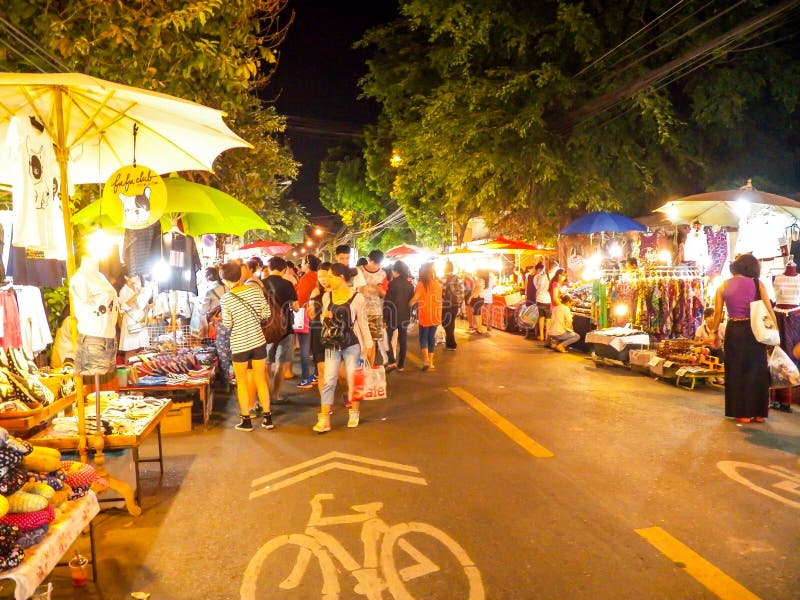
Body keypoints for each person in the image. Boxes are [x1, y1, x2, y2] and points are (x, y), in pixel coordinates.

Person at [711, 253, 776, 424]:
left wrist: (714, 333)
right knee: (757, 370)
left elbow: (717, 313)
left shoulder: (723, 285)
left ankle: (743, 413)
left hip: (734, 330)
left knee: (737, 370)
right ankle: (759, 413)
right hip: (756, 331)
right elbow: (769, 310)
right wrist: (775, 333)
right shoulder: (757, 284)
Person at [315, 263, 373, 432]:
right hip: (332, 343)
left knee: (352, 379)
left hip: (351, 344)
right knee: (329, 380)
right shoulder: (327, 297)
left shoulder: (357, 297)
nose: (327, 279)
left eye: (330, 276)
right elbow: (323, 320)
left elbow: (362, 323)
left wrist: (368, 346)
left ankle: (354, 412)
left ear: (340, 278)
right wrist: (324, 317)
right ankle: (324, 419)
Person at [219, 261, 271, 431]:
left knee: (241, 382)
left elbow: (227, 324)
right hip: (258, 342)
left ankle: (246, 420)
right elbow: (266, 313)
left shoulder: (226, 299)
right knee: (260, 380)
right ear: (240, 275)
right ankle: (268, 418)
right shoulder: (255, 291)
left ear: (225, 280)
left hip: (239, 345)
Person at [262, 256, 298, 402]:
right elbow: (296, 307)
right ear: (284, 269)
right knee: (281, 363)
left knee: (265, 363)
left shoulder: (261, 284)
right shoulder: (288, 284)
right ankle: (275, 394)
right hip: (285, 327)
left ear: (269, 268)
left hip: (266, 328)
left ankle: (265, 395)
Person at [409, 262, 443, 370]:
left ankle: (426, 360)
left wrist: (409, 303)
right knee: (431, 337)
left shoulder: (421, 284)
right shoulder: (437, 284)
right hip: (436, 314)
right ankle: (431, 362)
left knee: (423, 337)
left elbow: (415, 298)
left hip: (425, 314)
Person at [295, 254, 320, 389]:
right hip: (319, 315)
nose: (302, 264)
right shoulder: (319, 276)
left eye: (303, 262)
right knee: (316, 347)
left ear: (308, 263)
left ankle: (305, 378)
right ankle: (316, 374)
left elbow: (300, 300)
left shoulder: (306, 278)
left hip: (306, 316)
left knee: (304, 349)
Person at [358, 249, 388, 364]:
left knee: (373, 342)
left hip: (376, 312)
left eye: (378, 264)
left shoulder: (383, 273)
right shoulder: (359, 271)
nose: (376, 266)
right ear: (369, 260)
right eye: (374, 263)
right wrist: (360, 289)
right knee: (361, 341)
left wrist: (380, 290)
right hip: (360, 311)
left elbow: (384, 294)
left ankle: (370, 368)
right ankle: (361, 367)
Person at [385, 260, 414, 371]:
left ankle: (392, 360)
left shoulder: (392, 284)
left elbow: (388, 301)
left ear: (396, 271)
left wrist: (385, 317)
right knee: (403, 341)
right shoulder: (410, 285)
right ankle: (401, 365)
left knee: (386, 338)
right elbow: (411, 302)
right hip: (405, 316)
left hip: (393, 316)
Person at [308, 262, 332, 395]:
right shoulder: (316, 292)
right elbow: (311, 315)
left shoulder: (338, 292)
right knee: (322, 370)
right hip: (318, 333)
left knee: (338, 373)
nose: (322, 279)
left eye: (326, 276)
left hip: (335, 335)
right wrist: (312, 299)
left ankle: (345, 393)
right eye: (320, 276)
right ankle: (326, 404)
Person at [118, 272, 152, 361]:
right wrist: (136, 294)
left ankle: (139, 371)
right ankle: (129, 372)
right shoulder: (123, 290)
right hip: (131, 322)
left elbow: (140, 304)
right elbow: (124, 306)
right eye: (133, 276)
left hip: (140, 320)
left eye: (137, 276)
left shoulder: (137, 288)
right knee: (130, 349)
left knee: (141, 348)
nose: (136, 278)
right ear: (126, 277)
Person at [441, 260, 464, 350]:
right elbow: (462, 292)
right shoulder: (458, 278)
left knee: (446, 324)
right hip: (454, 305)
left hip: (445, 305)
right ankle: (449, 343)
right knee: (451, 323)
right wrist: (460, 304)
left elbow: (439, 292)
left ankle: (451, 344)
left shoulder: (442, 278)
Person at [532, 264, 552, 341]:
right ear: (540, 269)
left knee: (541, 317)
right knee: (548, 319)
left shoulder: (535, 277)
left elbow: (537, 287)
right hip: (546, 299)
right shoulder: (547, 276)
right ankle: (547, 336)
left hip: (539, 299)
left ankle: (542, 336)